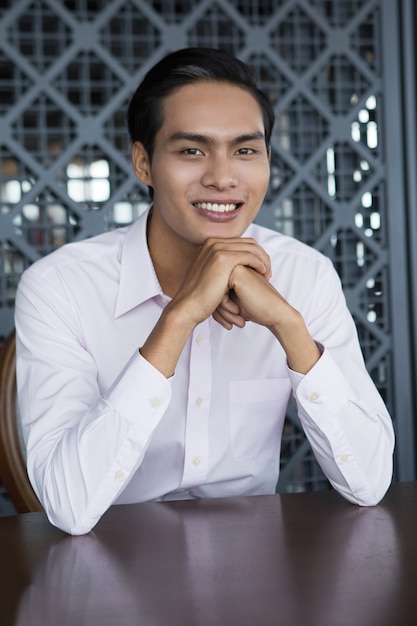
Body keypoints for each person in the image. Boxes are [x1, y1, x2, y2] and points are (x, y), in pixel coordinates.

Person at [15, 47, 395, 535]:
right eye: (192, 150)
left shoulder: (306, 276)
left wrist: (290, 328)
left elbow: (370, 483)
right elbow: (68, 506)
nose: (222, 177)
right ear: (144, 163)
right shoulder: (59, 287)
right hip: (107, 568)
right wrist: (179, 317)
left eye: (245, 150)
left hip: (254, 571)